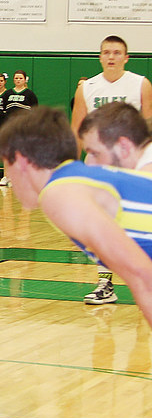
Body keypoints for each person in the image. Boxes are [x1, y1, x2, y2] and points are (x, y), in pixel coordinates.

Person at [0, 106, 152, 325]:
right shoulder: (78, 181)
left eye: (5, 165)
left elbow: (142, 274)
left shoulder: (59, 192)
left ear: (20, 160)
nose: (8, 177)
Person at [70, 35, 152, 306]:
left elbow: (149, 126)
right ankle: (105, 283)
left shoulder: (140, 84)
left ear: (126, 57)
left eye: (117, 52)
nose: (112, 57)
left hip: (134, 166)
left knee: (141, 224)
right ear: (100, 56)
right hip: (100, 167)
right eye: (106, 52)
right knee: (102, 225)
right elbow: (77, 129)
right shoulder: (87, 88)